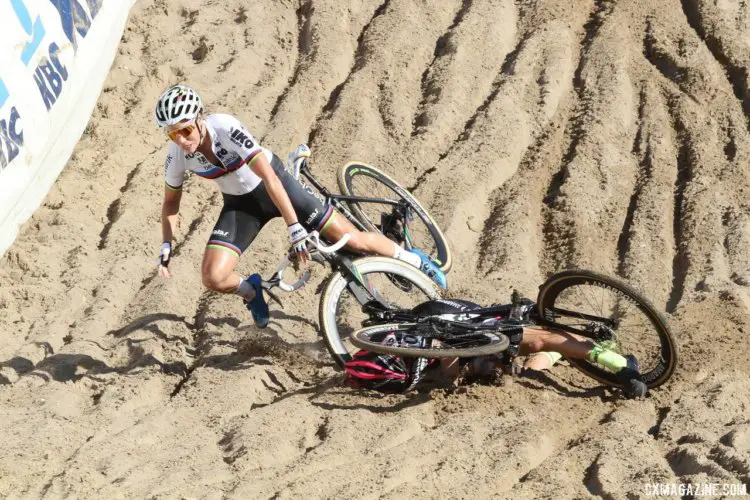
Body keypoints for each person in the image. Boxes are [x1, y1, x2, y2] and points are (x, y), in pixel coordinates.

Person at [154, 84, 446, 327]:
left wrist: (294, 227)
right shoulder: (177, 155)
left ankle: (418, 262)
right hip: (241, 206)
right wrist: (166, 244)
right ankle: (252, 291)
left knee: (354, 242)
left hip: (276, 185)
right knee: (213, 277)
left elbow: (268, 177)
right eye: (172, 134)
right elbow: (170, 202)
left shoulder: (225, 128)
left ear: (200, 119)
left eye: (186, 131)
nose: (181, 140)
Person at [344, 299, 648, 399]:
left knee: (543, 338)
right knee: (531, 368)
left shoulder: (415, 337)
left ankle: (622, 366)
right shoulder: (402, 360)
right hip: (462, 343)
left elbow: (446, 359)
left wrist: (452, 375)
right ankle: (569, 353)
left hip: (475, 326)